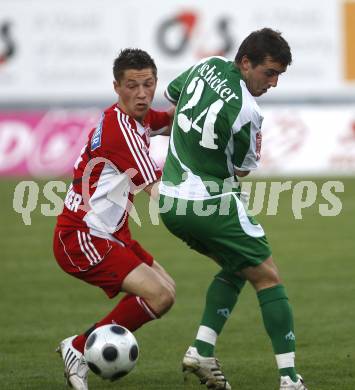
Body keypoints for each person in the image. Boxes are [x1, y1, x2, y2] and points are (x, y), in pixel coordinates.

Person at [159, 28, 308, 390]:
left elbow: (172, 102)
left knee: (237, 266)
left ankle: (202, 349)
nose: (272, 83)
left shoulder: (206, 64)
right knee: (269, 276)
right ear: (245, 63)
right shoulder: (249, 112)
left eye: (278, 76)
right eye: (269, 73)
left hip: (169, 202)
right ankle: (290, 380)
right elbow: (241, 168)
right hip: (210, 202)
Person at [53, 48, 175, 390]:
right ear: (116, 87)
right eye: (132, 86)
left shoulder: (135, 118)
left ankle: (78, 346)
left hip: (110, 233)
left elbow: (167, 119)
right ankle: (78, 349)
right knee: (158, 297)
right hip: (82, 237)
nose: (142, 93)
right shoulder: (119, 132)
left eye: (149, 84)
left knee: (167, 292)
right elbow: (159, 194)